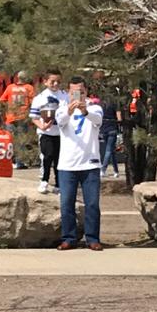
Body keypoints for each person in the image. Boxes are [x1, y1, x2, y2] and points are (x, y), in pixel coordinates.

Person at [55, 81, 105, 251]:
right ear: (68, 92)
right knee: (66, 203)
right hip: (67, 164)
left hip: (90, 163)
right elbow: (60, 121)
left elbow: (97, 120)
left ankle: (93, 238)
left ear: (86, 92)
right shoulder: (62, 108)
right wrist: (70, 110)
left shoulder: (94, 107)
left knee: (92, 204)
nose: (78, 96)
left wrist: (84, 110)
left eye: (81, 92)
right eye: (74, 92)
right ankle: (69, 237)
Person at [31, 72, 65, 193]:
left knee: (59, 159)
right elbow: (34, 117)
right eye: (52, 81)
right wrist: (42, 126)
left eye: (58, 82)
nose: (55, 84)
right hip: (46, 133)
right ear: (45, 82)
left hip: (62, 133)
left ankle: (59, 183)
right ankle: (44, 180)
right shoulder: (40, 98)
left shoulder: (65, 96)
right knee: (48, 156)